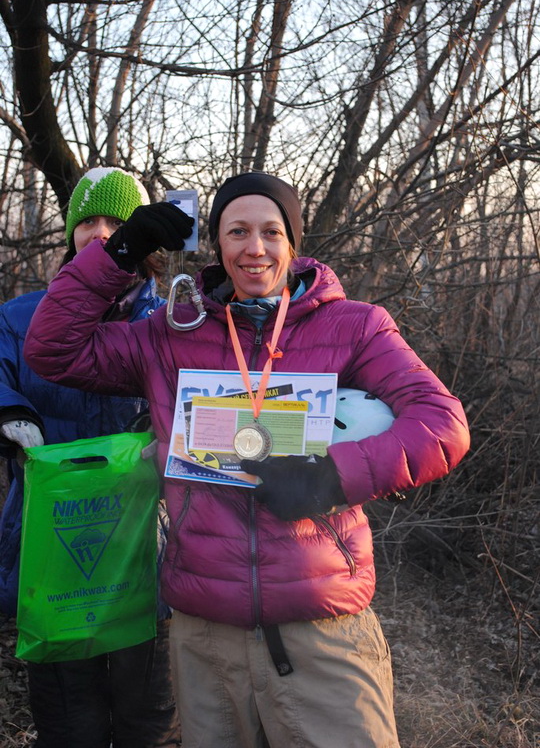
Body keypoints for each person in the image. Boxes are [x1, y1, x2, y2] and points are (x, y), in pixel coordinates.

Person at [24, 171, 470, 748]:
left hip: (320, 626)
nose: (253, 247)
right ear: (218, 244)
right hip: (204, 635)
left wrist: (333, 476)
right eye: (236, 231)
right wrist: (121, 254)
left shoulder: (354, 326)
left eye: (270, 231)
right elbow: (52, 350)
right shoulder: (170, 333)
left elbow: (441, 423)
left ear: (292, 242)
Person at [0, 167, 183, 748]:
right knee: (67, 717)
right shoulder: (23, 316)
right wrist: (6, 411)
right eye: (87, 222)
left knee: (148, 716)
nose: (99, 234)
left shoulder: (172, 323)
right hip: (55, 541)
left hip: (146, 544)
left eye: (115, 222)